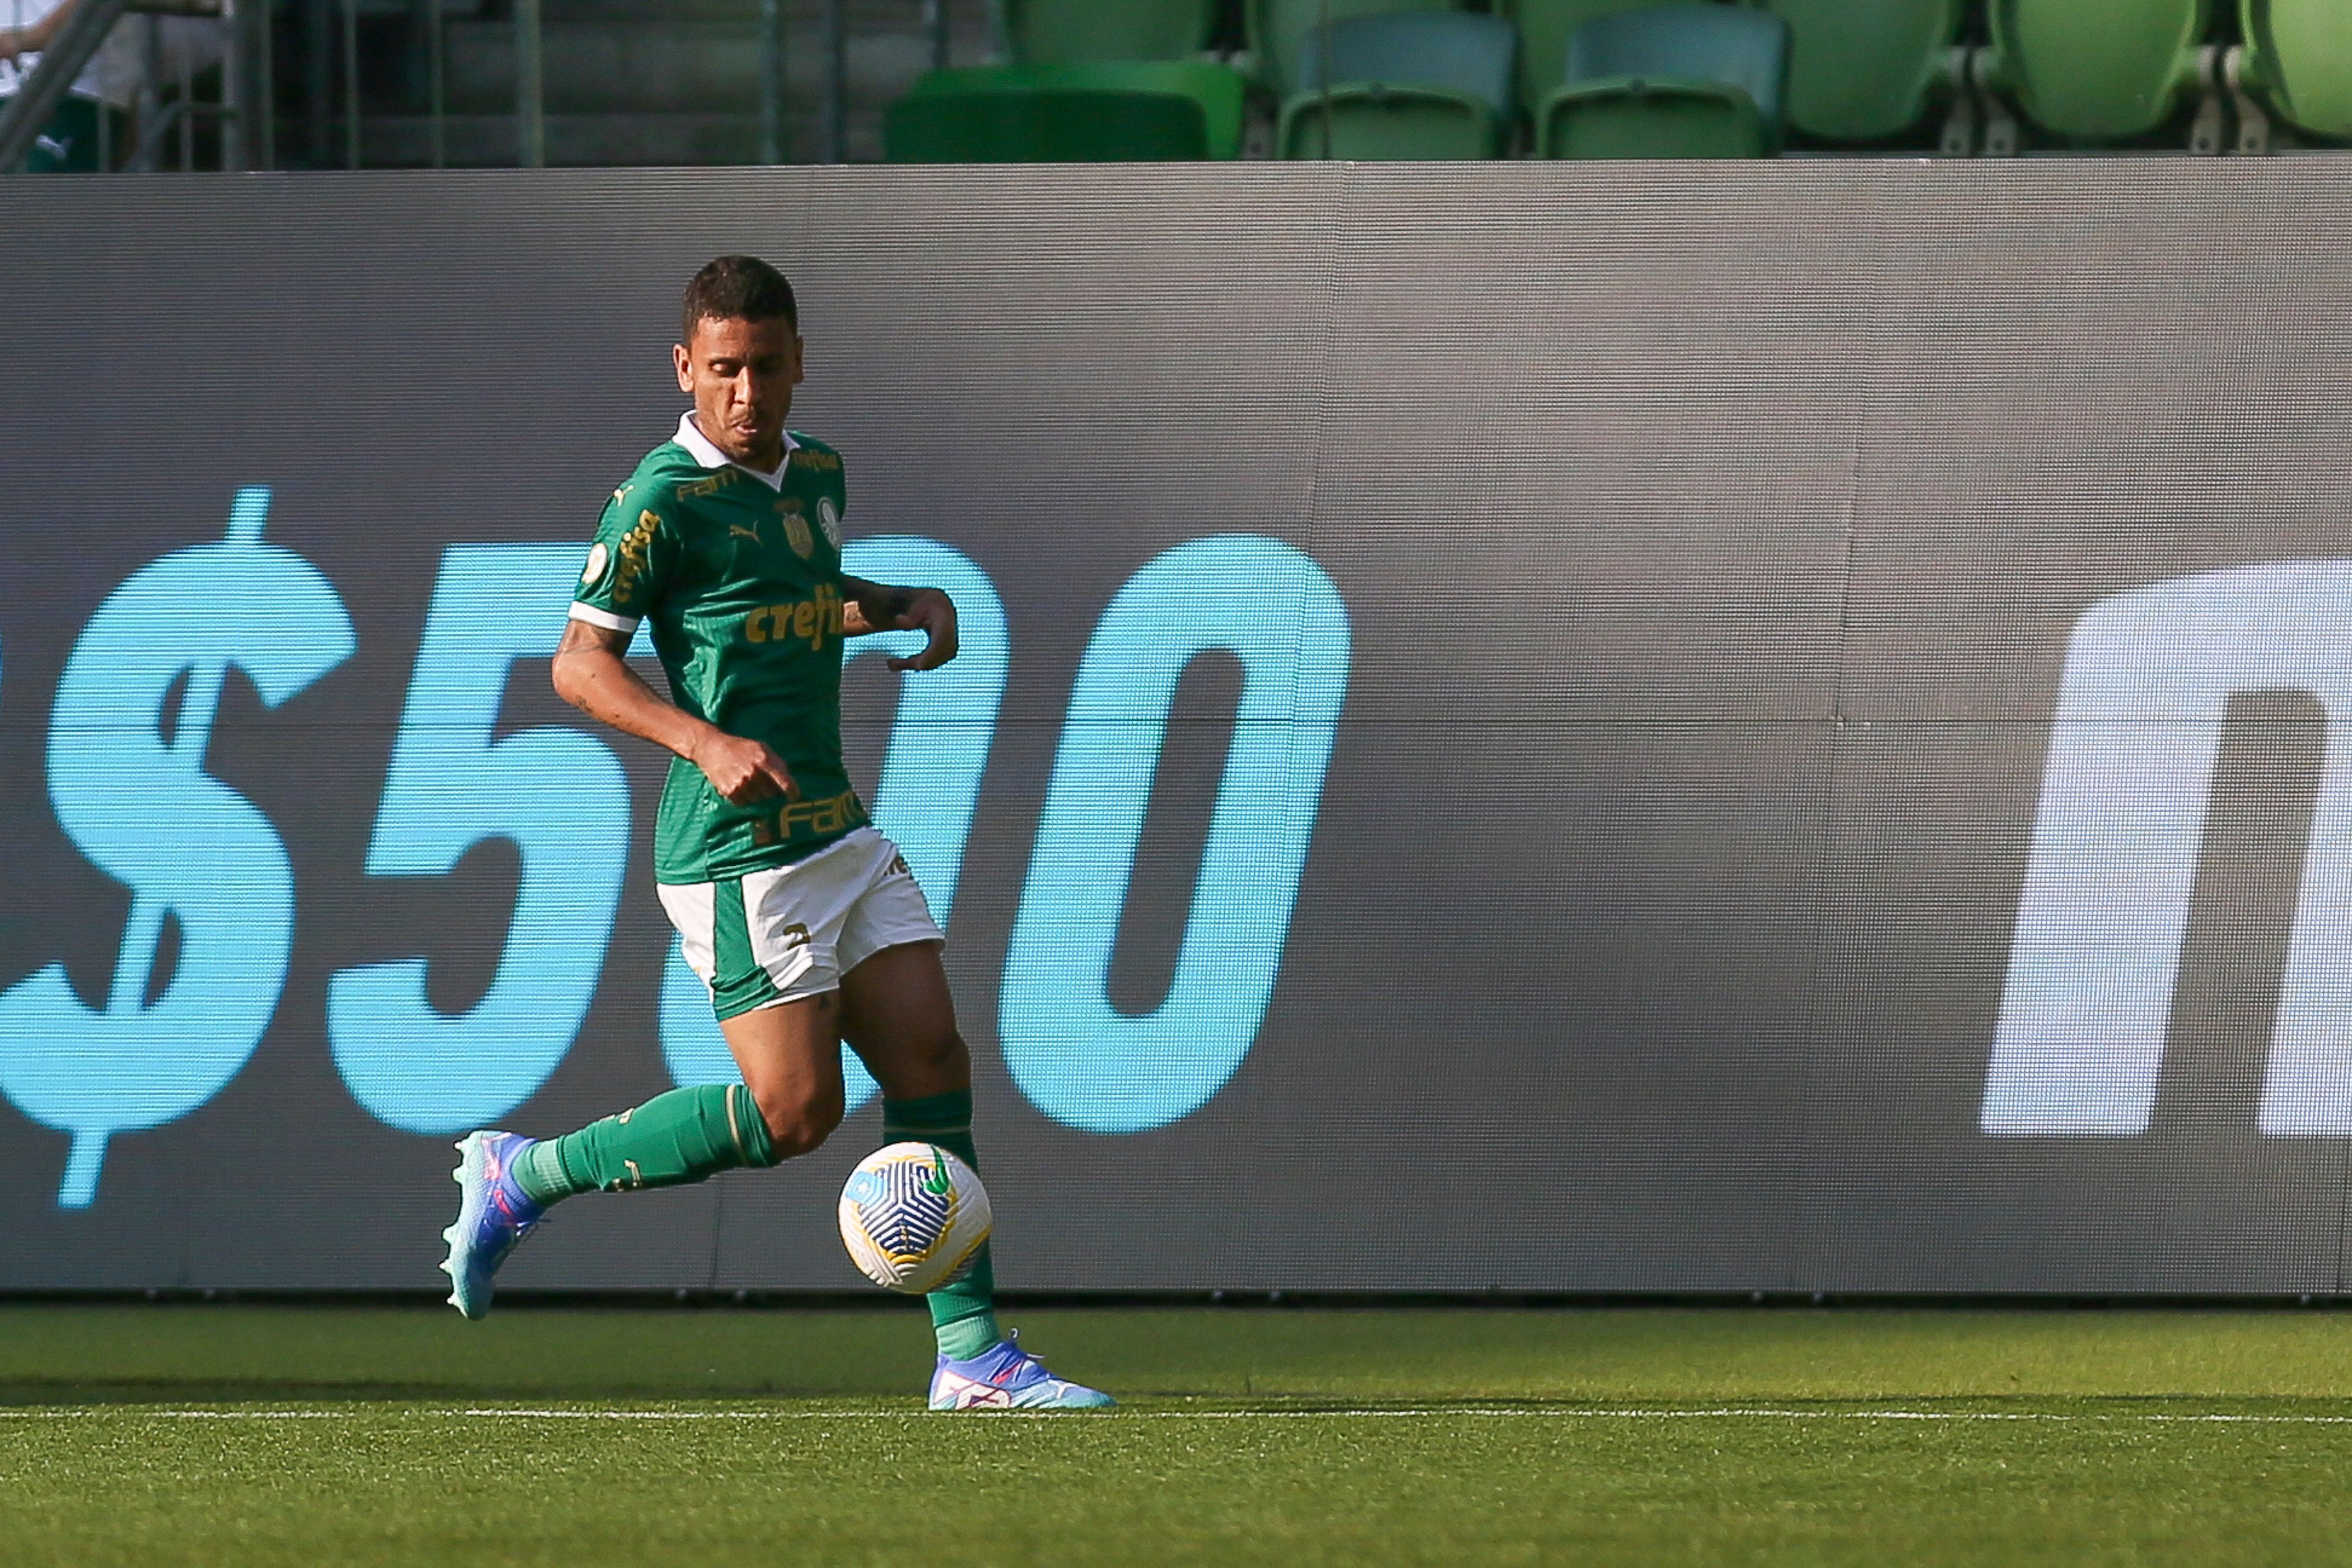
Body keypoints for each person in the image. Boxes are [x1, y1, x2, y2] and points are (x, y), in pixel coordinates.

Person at [439, 254, 1110, 1413]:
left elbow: (794, 592)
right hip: (737, 854)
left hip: (836, 827)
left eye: (765, 367)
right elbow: (578, 664)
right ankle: (528, 1172)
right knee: (796, 1116)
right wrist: (702, 741)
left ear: (800, 363)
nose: (745, 392)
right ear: (685, 369)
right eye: (724, 370)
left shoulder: (816, 476)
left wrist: (897, 602)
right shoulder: (659, 498)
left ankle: (973, 1356)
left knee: (930, 1059)